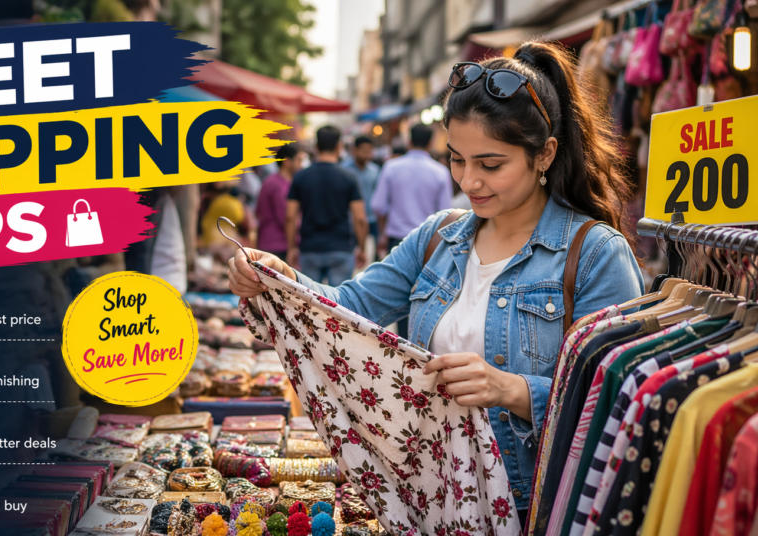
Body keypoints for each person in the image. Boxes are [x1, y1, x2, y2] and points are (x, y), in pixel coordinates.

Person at [226, 41, 643, 522]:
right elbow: (350, 305)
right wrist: (281, 279)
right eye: (456, 159)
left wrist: (510, 389)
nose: (468, 182)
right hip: (431, 501)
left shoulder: (594, 254)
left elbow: (615, 402)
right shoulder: (438, 238)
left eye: (491, 165)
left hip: (536, 508)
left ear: (544, 154)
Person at [285, 126, 368, 286]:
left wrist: (291, 247)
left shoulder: (301, 177)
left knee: (310, 303)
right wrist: (362, 248)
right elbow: (360, 218)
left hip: (310, 248)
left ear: (316, 147)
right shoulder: (349, 177)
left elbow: (290, 216)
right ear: (339, 147)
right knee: (338, 304)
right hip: (341, 248)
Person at [371, 124, 453, 260]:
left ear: (409, 142)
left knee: (396, 280)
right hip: (427, 241)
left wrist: (382, 234)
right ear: (430, 143)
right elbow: (445, 213)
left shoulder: (391, 167)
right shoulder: (440, 171)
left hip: (396, 238)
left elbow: (378, 205)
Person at [255, 144, 305, 260]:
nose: (301, 165)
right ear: (287, 161)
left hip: (271, 242)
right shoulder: (278, 186)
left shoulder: (273, 181)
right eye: (298, 160)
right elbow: (286, 217)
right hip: (277, 245)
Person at [341, 136, 381, 248]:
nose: (367, 154)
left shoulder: (375, 171)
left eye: (369, 151)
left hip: (371, 219)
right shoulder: (344, 170)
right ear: (355, 150)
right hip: (350, 220)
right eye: (364, 151)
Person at [198, 182, 249, 247]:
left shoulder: (217, 200)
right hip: (229, 239)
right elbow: (240, 219)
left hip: (209, 237)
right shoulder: (236, 204)